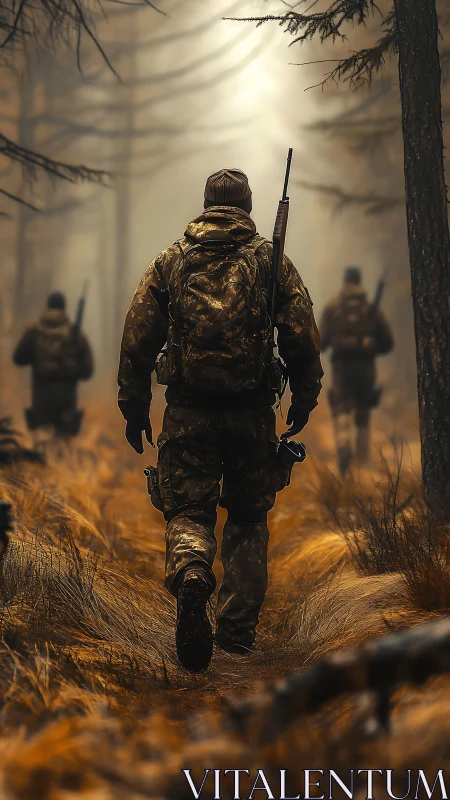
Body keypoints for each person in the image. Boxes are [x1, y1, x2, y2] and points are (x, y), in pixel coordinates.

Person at [118, 168, 323, 672]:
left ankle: (191, 573)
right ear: (249, 206)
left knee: (189, 512)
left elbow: (136, 337)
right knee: (249, 519)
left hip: (188, 414)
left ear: (206, 204)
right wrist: (304, 399)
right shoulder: (271, 262)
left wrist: (134, 405)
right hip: (252, 417)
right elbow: (301, 335)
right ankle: (234, 638)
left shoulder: (172, 260)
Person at [320, 266, 394, 476]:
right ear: (360, 282)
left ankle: (344, 448)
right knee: (363, 412)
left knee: (342, 408)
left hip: (341, 368)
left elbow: (322, 342)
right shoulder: (370, 308)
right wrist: (372, 348)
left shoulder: (333, 307)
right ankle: (362, 466)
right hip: (365, 367)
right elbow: (388, 342)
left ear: (344, 281)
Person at [13, 291, 94, 450]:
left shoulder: (33, 331)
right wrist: (72, 370)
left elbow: (18, 358)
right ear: (64, 308)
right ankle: (62, 473)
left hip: (41, 396)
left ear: (47, 306)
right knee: (64, 446)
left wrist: (36, 357)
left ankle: (41, 472)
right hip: (67, 397)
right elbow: (87, 370)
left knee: (41, 443)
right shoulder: (75, 333)